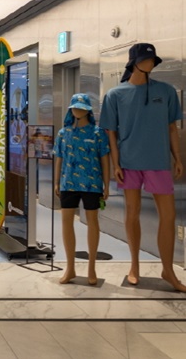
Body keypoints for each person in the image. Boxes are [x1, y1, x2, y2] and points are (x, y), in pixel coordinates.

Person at [100, 43, 186, 292]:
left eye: (152, 60)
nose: (150, 64)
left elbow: (172, 128)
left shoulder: (166, 91)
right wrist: (116, 163)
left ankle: (168, 270)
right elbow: (111, 133)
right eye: (145, 59)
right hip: (129, 162)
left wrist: (177, 158)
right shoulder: (115, 95)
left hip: (158, 161)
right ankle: (134, 266)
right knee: (132, 213)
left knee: (168, 216)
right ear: (133, 63)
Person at [53, 93, 110, 285]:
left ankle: (92, 267)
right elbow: (59, 158)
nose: (78, 111)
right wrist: (56, 182)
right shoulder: (63, 133)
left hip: (92, 184)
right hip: (68, 182)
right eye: (75, 107)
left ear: (88, 110)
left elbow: (104, 159)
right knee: (66, 222)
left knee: (92, 221)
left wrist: (107, 184)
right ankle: (70, 268)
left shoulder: (97, 133)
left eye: (81, 108)